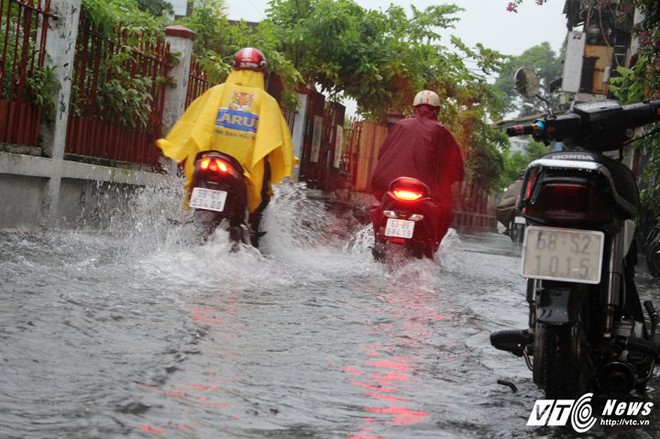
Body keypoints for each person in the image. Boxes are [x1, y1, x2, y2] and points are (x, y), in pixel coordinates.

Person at [156, 48, 295, 244]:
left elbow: (192, 125)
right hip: (242, 171)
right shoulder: (267, 102)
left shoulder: (216, 92)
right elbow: (276, 142)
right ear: (262, 73)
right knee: (264, 193)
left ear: (234, 68)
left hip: (207, 161)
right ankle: (252, 231)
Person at [370, 90, 464, 244]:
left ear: (415, 108)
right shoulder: (440, 130)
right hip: (426, 191)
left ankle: (378, 240)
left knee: (380, 206)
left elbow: (382, 154)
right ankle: (433, 245)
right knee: (444, 213)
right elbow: (455, 166)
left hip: (394, 185)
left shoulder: (401, 125)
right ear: (436, 111)